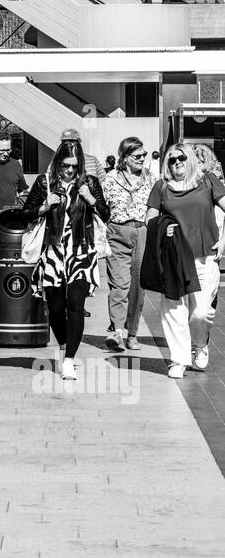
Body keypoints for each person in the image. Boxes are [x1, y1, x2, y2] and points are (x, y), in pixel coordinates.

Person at [20, 140, 109, 381]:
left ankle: (69, 359)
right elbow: (24, 214)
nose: (69, 170)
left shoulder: (89, 183)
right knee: (56, 308)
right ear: (57, 162)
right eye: (65, 165)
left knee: (76, 305)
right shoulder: (44, 183)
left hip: (81, 251)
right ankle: (63, 345)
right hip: (54, 251)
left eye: (74, 166)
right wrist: (44, 206)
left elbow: (105, 213)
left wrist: (91, 199)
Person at [145, 143, 225, 379]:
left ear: (189, 158)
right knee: (174, 311)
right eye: (171, 160)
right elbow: (150, 218)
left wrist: (223, 241)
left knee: (200, 313)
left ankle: (200, 345)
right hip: (174, 258)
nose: (177, 163)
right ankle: (178, 359)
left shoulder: (208, 181)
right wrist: (162, 228)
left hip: (204, 257)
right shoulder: (161, 187)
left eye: (181, 158)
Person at [102, 136, 155, 353]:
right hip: (117, 231)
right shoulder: (109, 179)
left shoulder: (150, 178)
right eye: (137, 156)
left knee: (138, 286)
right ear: (124, 157)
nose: (142, 158)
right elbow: (101, 207)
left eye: (144, 154)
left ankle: (132, 333)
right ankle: (117, 333)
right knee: (119, 284)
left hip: (142, 231)